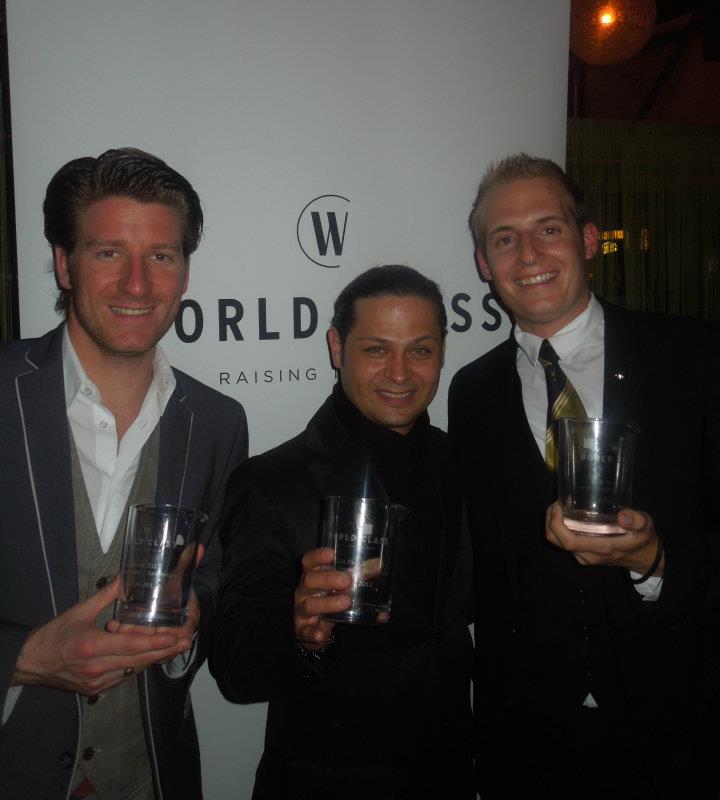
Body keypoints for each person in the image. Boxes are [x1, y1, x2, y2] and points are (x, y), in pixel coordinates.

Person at [449, 154, 720, 799]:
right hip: (528, 745)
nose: (529, 254)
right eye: (504, 239)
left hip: (675, 732)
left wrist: (656, 562)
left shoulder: (698, 359)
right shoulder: (471, 391)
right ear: (484, 264)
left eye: (549, 228)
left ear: (589, 240)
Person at [0, 148, 248, 800]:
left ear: (184, 272)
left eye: (160, 256)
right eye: (109, 252)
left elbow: (213, 573)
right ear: (64, 263)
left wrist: (196, 613)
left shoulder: (218, 422)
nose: (137, 285)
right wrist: (26, 659)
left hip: (153, 778)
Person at [210, 265, 474, 800]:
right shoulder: (271, 481)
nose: (399, 373)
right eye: (376, 349)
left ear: (442, 352)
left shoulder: (463, 461)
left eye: (420, 350)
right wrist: (297, 631)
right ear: (337, 347)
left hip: (450, 774)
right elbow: (234, 665)